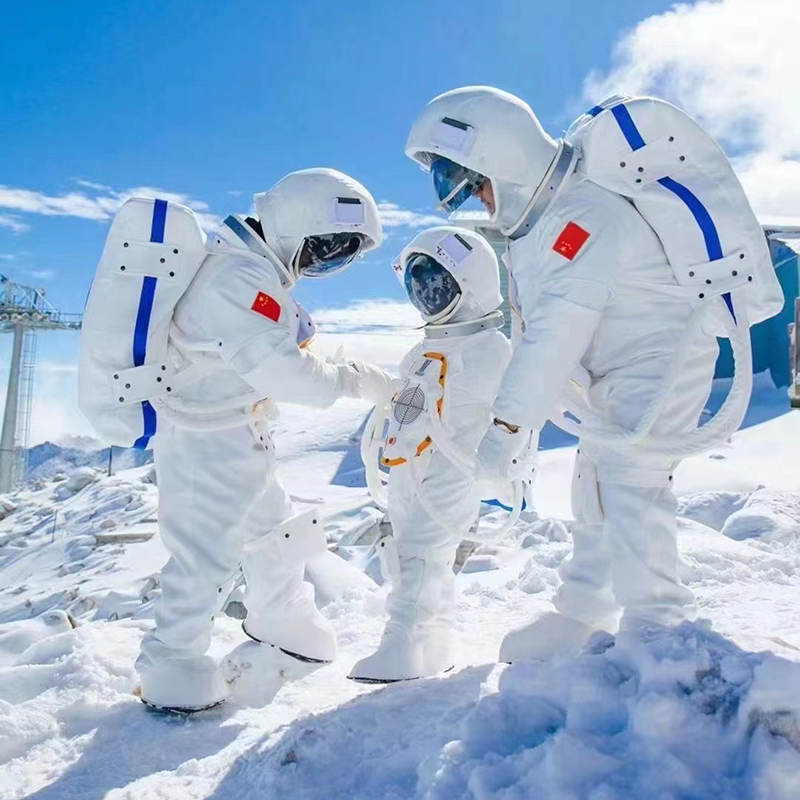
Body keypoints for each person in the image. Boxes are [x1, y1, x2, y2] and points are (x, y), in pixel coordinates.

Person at [404, 86, 759, 662]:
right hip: (612, 372)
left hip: (659, 363)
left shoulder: (584, 213)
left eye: (478, 183)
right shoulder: (543, 225)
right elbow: (537, 333)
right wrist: (521, 427)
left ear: (502, 157)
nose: (482, 201)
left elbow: (558, 331)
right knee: (592, 484)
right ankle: (584, 609)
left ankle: (657, 623)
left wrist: (507, 428)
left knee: (631, 482)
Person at [135, 168, 393, 711]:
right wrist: (351, 378)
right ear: (292, 226)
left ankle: (282, 614)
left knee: (275, 532)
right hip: (206, 438)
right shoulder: (236, 278)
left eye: (341, 257)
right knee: (205, 553)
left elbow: (272, 353)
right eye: (324, 250)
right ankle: (170, 663)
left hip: (235, 429)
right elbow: (286, 374)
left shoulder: (252, 273)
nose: (325, 265)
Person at [348, 226, 512, 683]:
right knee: (409, 552)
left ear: (471, 282)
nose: (426, 294)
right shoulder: (422, 350)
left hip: (454, 465)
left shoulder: (488, 349)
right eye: (418, 284)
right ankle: (432, 644)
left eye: (435, 282)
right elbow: (408, 398)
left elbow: (493, 410)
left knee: (423, 549)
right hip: (407, 461)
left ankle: (401, 643)